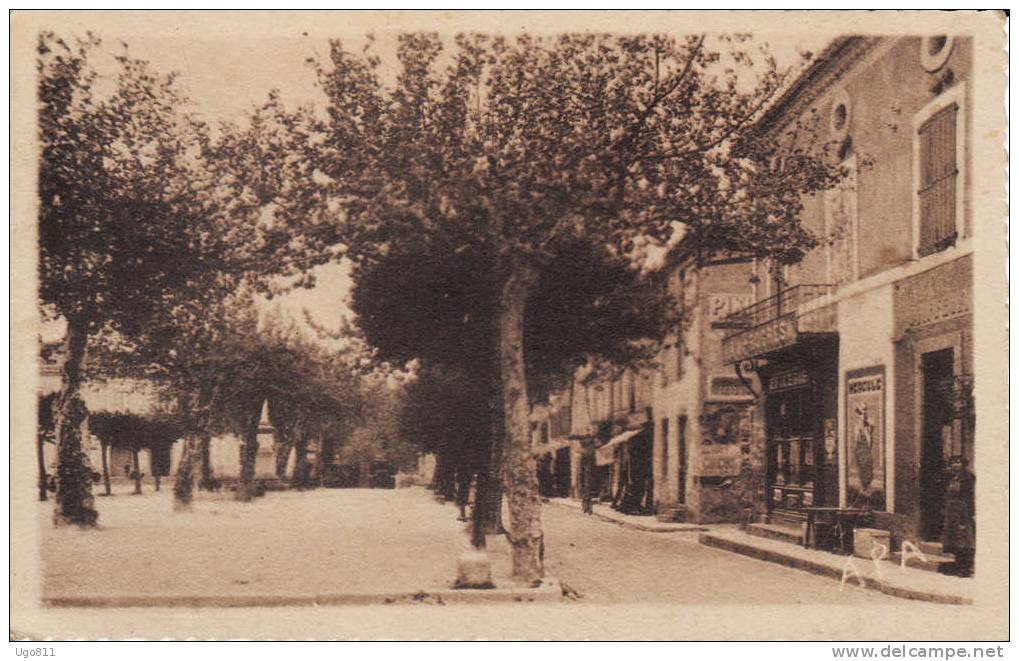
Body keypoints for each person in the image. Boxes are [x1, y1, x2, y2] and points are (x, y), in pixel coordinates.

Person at [941, 455, 975, 577]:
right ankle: (958, 565)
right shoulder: (951, 478)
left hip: (962, 511)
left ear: (963, 464)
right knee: (954, 539)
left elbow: (970, 497)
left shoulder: (968, 478)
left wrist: (970, 514)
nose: (956, 465)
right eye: (953, 462)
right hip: (951, 512)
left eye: (959, 462)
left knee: (964, 540)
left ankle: (965, 568)